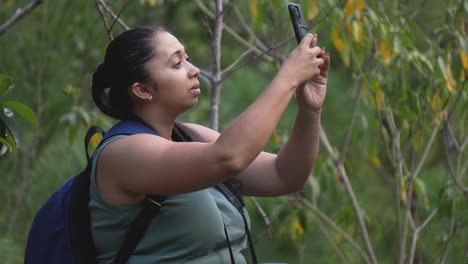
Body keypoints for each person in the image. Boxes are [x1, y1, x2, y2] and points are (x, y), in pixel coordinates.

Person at [90, 26, 330, 264]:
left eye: (188, 60)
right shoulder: (123, 154)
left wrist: (310, 110)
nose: (194, 70)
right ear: (142, 90)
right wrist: (288, 77)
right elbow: (230, 156)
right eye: (177, 64)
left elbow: (284, 175)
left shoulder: (191, 136)